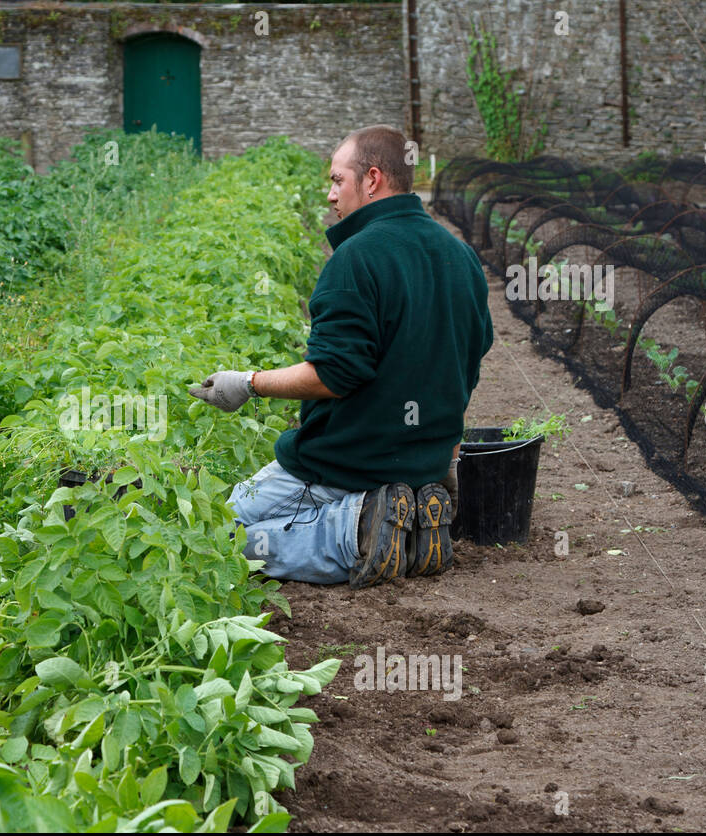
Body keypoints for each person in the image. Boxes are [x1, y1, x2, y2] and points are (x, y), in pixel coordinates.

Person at [189, 125, 493, 590]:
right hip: (423, 467)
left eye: (337, 180)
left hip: (340, 466)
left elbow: (333, 374)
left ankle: (353, 529)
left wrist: (248, 382)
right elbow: (465, 369)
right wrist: (447, 461)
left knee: (212, 534)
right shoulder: (461, 256)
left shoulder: (355, 258)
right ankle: (405, 526)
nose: (330, 195)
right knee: (225, 527)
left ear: (372, 179)